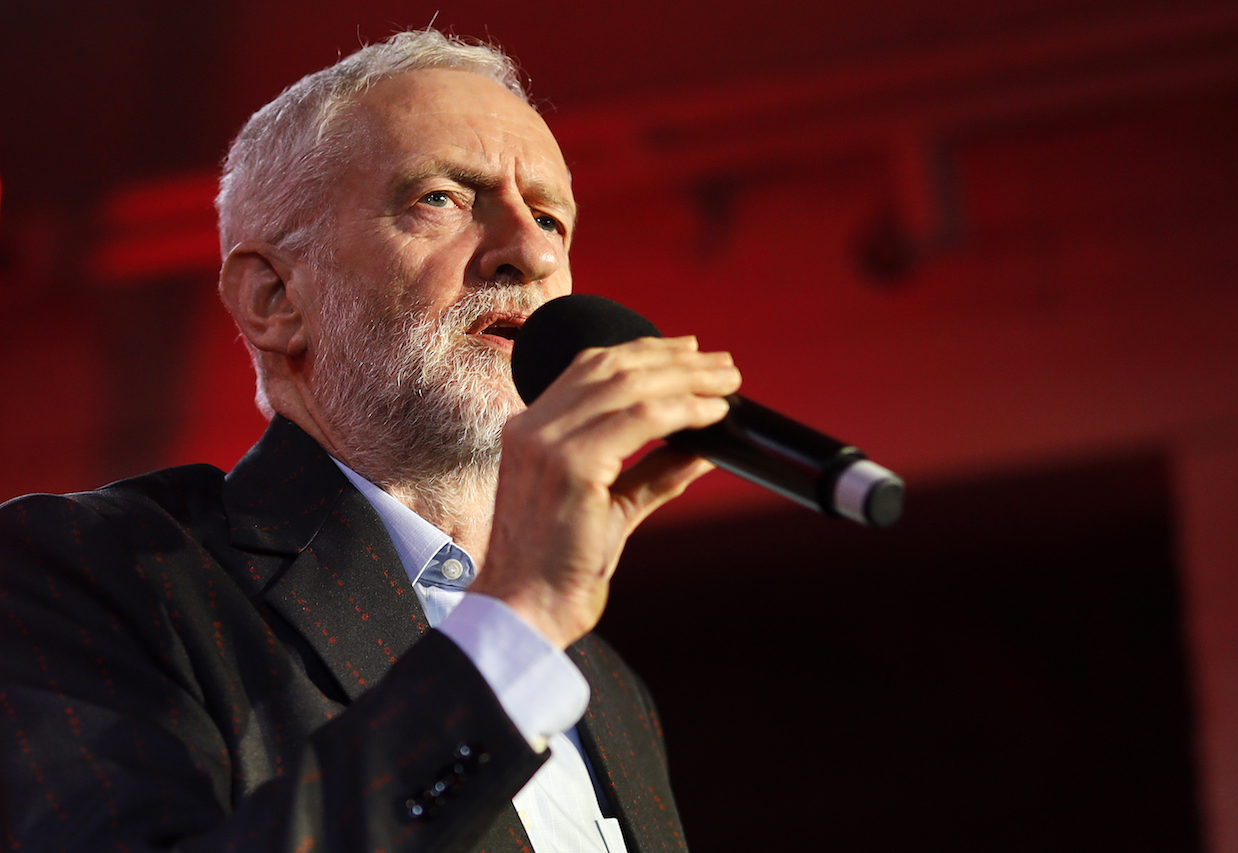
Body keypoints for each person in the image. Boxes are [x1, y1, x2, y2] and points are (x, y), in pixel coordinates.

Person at [0, 29, 741, 853]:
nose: (528, 251)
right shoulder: (93, 571)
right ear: (275, 298)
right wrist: (516, 626)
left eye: (550, 216)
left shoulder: (607, 685)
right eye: (441, 198)